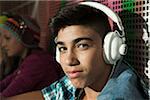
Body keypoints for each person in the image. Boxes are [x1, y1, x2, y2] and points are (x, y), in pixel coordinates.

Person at [2, 1, 148, 100]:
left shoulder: (118, 96)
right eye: (63, 48)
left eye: (82, 45)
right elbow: (47, 95)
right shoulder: (84, 79)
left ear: (111, 48)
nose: (69, 60)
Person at [0, 12, 64, 97]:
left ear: (25, 38)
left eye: (7, 38)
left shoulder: (37, 62)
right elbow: (4, 84)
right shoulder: (28, 60)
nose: (3, 44)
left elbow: (7, 95)